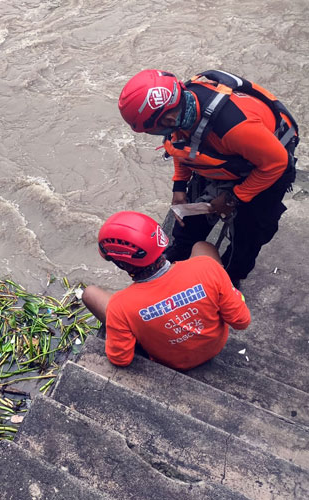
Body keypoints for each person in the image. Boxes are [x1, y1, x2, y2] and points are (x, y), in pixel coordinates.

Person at [117, 69, 299, 288]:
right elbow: (178, 145)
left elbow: (276, 164)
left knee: (248, 233)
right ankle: (176, 258)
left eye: (151, 131)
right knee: (189, 220)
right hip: (224, 159)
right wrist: (179, 186)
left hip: (264, 166)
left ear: (169, 117)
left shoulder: (236, 128)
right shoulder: (182, 109)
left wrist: (233, 197)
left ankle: (232, 277)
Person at [81, 211, 250, 371]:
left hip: (172, 361)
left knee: (89, 293)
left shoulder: (121, 306)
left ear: (121, 264)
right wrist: (222, 290)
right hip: (213, 347)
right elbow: (242, 321)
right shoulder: (207, 267)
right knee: (203, 246)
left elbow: (120, 359)